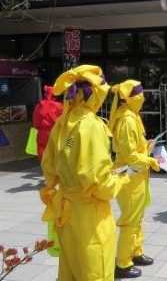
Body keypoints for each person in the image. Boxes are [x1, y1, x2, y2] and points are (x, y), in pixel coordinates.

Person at [39, 65, 130, 281]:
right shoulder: (91, 125)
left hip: (67, 215)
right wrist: (120, 178)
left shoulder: (63, 123)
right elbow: (100, 184)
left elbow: (49, 167)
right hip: (90, 219)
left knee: (69, 272)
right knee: (94, 272)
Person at [108, 80, 160, 279]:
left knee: (137, 218)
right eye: (140, 94)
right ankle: (122, 263)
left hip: (137, 175)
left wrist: (146, 146)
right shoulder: (127, 120)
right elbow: (129, 155)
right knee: (130, 220)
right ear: (131, 98)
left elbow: (132, 148)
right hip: (129, 176)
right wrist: (150, 160)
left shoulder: (132, 116)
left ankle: (136, 251)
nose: (143, 97)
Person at [32, 85, 63, 160]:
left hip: (42, 136)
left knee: (44, 159)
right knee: (56, 158)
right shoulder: (59, 106)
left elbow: (35, 123)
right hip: (56, 135)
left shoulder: (38, 106)